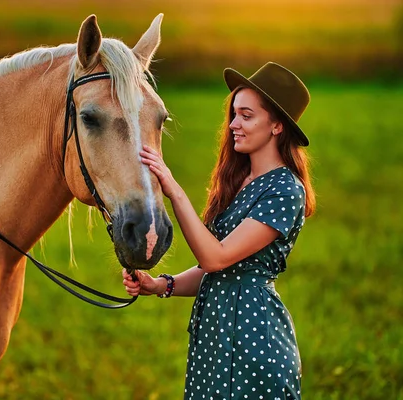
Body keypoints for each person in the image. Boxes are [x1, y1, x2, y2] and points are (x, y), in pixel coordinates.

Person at [122, 62, 316, 399]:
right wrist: (161, 285)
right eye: (234, 114)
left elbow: (217, 258)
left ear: (276, 126)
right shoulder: (239, 181)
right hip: (213, 339)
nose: (233, 125)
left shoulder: (285, 190)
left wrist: (172, 188)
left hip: (253, 342)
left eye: (246, 116)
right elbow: (218, 272)